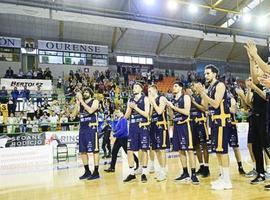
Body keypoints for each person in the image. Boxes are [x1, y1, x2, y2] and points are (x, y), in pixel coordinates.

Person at [194, 64, 232, 190]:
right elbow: (205, 107)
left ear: (215, 74)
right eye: (205, 74)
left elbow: (215, 104)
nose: (205, 76)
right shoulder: (209, 87)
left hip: (221, 121)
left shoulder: (220, 85)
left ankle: (227, 180)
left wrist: (202, 93)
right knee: (218, 151)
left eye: (208, 73)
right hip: (213, 122)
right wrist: (202, 92)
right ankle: (222, 177)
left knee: (223, 151)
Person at [167, 81, 199, 185]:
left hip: (185, 125)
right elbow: (172, 117)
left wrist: (174, 107)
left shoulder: (185, 97)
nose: (173, 88)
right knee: (180, 150)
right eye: (173, 86)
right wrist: (170, 108)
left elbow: (186, 112)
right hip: (176, 125)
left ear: (181, 88)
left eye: (175, 86)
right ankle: (185, 172)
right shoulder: (172, 99)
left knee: (189, 150)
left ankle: (193, 174)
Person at [71, 87, 100, 180]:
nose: (85, 93)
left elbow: (91, 110)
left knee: (95, 150)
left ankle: (96, 172)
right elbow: (73, 115)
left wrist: (82, 101)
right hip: (83, 129)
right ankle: (87, 171)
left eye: (87, 92)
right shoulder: (81, 103)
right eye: (84, 92)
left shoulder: (95, 101)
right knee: (83, 151)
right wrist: (77, 103)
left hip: (92, 128)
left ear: (90, 93)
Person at [123, 82, 150, 183]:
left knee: (144, 150)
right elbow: (126, 116)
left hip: (143, 126)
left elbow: (147, 115)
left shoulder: (145, 99)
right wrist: (129, 108)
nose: (134, 88)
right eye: (133, 87)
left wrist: (136, 107)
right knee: (129, 150)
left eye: (136, 87)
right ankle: (131, 173)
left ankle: (144, 173)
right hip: (133, 126)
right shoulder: (130, 100)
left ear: (141, 89)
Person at [187, 84, 210, 178]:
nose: (194, 87)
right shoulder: (190, 97)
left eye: (195, 85)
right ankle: (201, 166)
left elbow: (205, 108)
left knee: (204, 145)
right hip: (192, 123)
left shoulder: (202, 95)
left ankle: (207, 167)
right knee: (196, 145)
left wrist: (194, 102)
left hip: (201, 122)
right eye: (193, 86)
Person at [148, 85, 170, 182]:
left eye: (149, 91)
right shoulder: (151, 102)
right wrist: (151, 104)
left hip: (161, 126)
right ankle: (161, 169)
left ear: (154, 90)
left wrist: (153, 102)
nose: (148, 93)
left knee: (162, 149)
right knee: (156, 149)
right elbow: (149, 116)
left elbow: (160, 111)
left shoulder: (161, 98)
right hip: (153, 126)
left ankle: (164, 171)